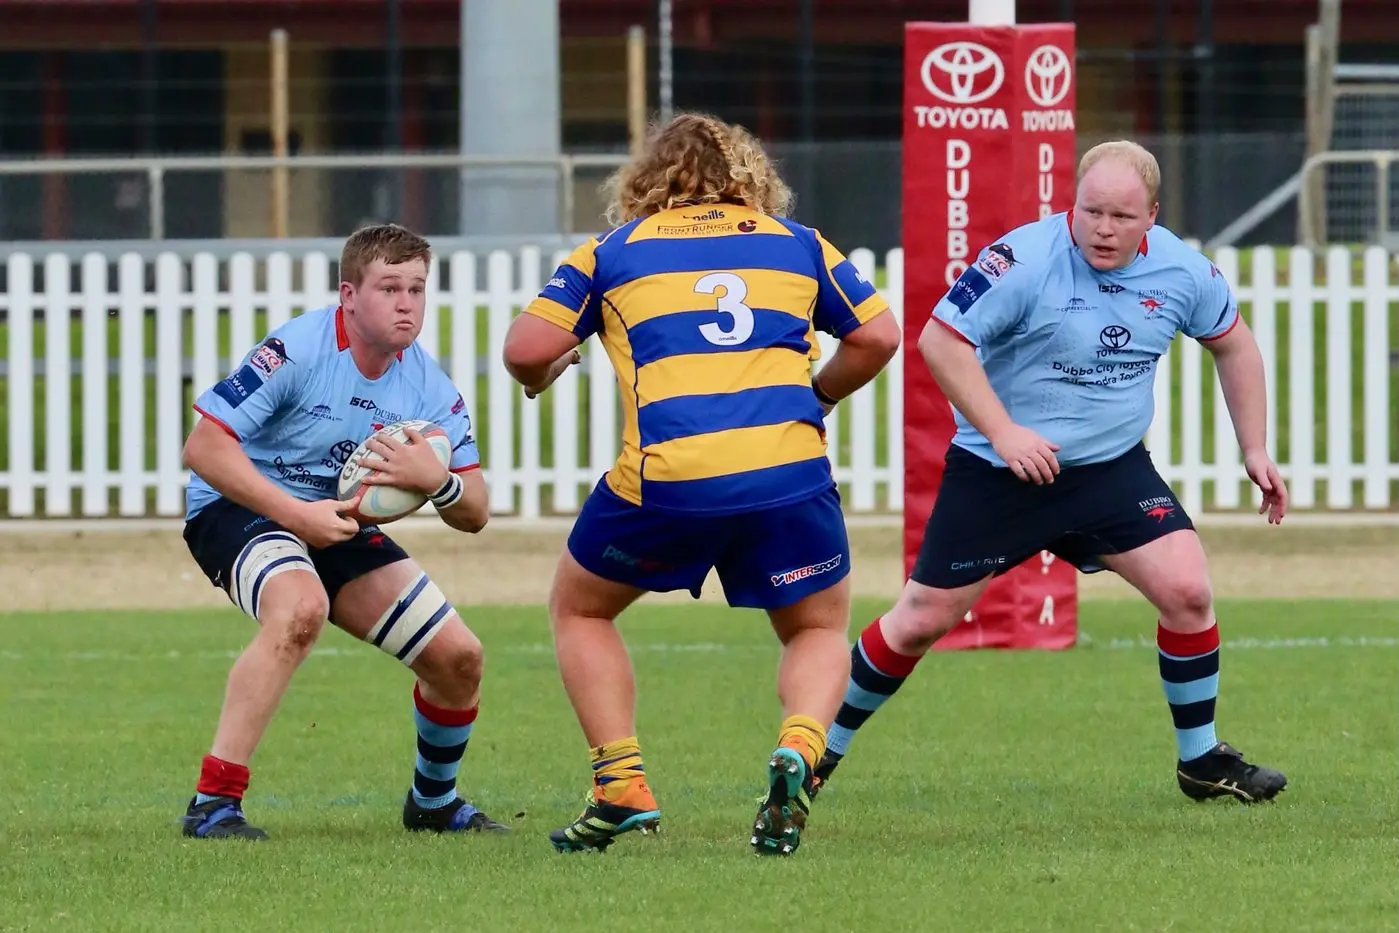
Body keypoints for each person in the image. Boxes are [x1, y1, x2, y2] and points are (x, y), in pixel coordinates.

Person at [814, 140, 1289, 806]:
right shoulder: (1022, 260)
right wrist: (1004, 432)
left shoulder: (1184, 272)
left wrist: (1254, 447)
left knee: (1187, 591)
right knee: (920, 620)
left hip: (1108, 472)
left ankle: (1201, 758)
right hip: (997, 473)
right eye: (1090, 210)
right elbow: (939, 342)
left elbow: (1232, 342)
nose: (1101, 227)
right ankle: (813, 752)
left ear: (1151, 215)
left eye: (1121, 216)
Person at [502, 112, 901, 856]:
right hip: (787, 470)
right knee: (815, 626)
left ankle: (620, 784)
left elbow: (525, 348)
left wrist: (544, 374)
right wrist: (818, 397)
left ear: (643, 181)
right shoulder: (799, 245)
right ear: (750, 175)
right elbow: (878, 335)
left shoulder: (611, 252)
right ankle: (798, 749)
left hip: (670, 479)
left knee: (580, 608)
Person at [178, 223, 510, 839]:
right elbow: (203, 447)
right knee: (299, 608)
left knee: (459, 658)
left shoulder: (431, 388)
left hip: (335, 518)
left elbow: (476, 511)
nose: (406, 302)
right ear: (348, 295)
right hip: (239, 507)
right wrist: (296, 515)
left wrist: (436, 482)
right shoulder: (298, 349)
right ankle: (212, 804)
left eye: (416, 288)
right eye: (389, 288)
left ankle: (433, 803)